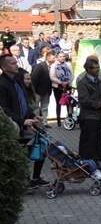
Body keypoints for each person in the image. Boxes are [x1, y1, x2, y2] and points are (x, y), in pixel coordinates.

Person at [0, 55, 49, 190]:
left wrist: (33, 116)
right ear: (4, 67)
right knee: (17, 158)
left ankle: (28, 181)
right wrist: (22, 120)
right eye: (13, 63)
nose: (16, 65)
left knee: (26, 155)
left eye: (16, 62)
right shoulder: (3, 84)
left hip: (23, 126)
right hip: (13, 128)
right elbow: (4, 109)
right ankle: (18, 185)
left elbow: (23, 104)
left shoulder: (17, 82)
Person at [77, 58, 101, 170]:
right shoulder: (83, 83)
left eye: (98, 67)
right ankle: (86, 163)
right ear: (88, 69)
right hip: (89, 116)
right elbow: (84, 100)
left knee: (97, 140)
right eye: (95, 68)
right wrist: (100, 105)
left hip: (99, 116)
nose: (98, 69)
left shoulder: (100, 82)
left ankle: (95, 162)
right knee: (89, 141)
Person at [31, 49, 55, 126]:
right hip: (37, 91)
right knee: (36, 107)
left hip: (47, 91)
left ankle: (44, 122)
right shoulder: (40, 66)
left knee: (45, 107)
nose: (54, 59)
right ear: (48, 58)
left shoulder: (53, 67)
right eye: (53, 58)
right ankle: (37, 122)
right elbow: (34, 79)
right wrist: (33, 91)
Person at [49, 51, 73, 127]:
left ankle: (70, 118)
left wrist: (67, 82)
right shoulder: (54, 66)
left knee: (69, 103)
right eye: (60, 56)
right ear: (57, 58)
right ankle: (59, 121)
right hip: (58, 87)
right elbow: (52, 77)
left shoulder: (68, 64)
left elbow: (72, 75)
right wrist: (60, 82)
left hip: (67, 86)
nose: (62, 58)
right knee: (58, 103)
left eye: (63, 56)